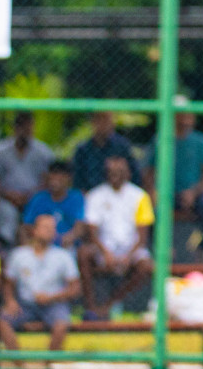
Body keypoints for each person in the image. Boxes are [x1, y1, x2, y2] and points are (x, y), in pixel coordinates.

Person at [80, 155, 154, 318]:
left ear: (128, 173)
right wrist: (106, 253)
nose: (115, 176)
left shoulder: (140, 196)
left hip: (131, 248)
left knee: (146, 265)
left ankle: (111, 304)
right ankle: (91, 307)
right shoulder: (95, 195)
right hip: (103, 247)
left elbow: (142, 237)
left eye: (120, 172)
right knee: (84, 254)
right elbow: (92, 232)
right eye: (111, 172)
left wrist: (127, 257)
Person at [0, 214, 81, 352]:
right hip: (25, 304)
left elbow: (75, 288)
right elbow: (8, 283)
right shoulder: (19, 255)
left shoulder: (63, 256)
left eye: (53, 228)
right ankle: (19, 367)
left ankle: (47, 367)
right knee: (3, 320)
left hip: (54, 304)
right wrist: (10, 300)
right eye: (46, 227)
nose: (50, 231)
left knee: (61, 324)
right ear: (34, 231)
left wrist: (52, 297)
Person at [0, 112, 54, 210]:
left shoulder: (44, 152)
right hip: (4, 199)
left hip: (36, 199)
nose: (25, 131)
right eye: (21, 126)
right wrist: (7, 194)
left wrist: (31, 195)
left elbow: (50, 179)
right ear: (14, 128)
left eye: (28, 127)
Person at [170, 112, 203, 250]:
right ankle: (162, 249)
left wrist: (193, 192)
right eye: (181, 115)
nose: (186, 119)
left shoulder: (202, 142)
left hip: (197, 194)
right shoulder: (162, 140)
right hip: (170, 194)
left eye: (188, 115)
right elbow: (150, 172)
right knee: (153, 205)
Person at [71, 111, 140, 193]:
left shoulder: (122, 147)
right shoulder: (83, 150)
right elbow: (77, 181)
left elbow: (135, 176)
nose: (103, 124)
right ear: (93, 122)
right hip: (91, 196)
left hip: (120, 194)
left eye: (106, 120)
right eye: (99, 119)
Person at [23, 161, 86, 248]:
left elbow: (80, 226)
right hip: (41, 244)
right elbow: (27, 225)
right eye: (53, 176)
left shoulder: (76, 197)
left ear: (68, 178)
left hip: (68, 245)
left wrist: (68, 238)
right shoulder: (38, 198)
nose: (55, 181)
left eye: (60, 176)